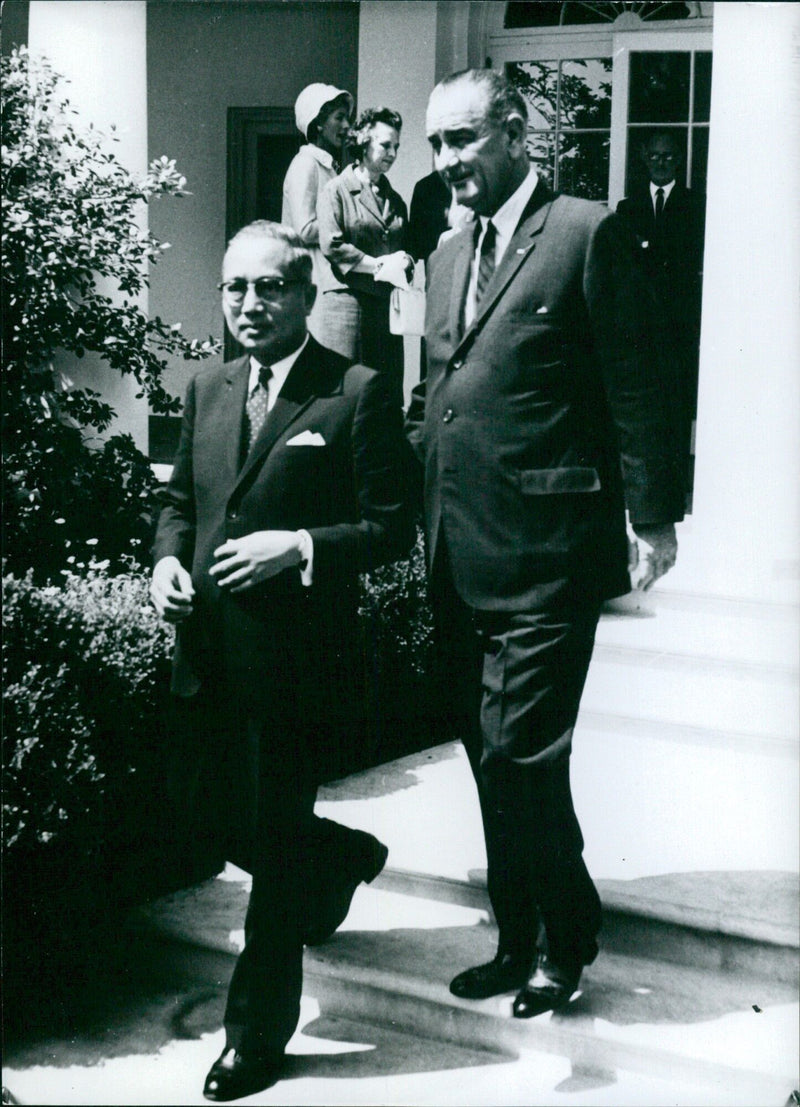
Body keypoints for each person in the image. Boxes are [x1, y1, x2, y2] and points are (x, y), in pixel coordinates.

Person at [406, 69, 684, 1020]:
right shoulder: (444, 257)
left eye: (461, 141)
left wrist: (653, 517)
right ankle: (518, 935)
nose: (444, 164)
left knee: (522, 755)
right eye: (434, 144)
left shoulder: (584, 231)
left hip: (548, 554)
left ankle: (566, 936)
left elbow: (638, 385)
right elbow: (435, 399)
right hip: (455, 551)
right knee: (489, 760)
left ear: (515, 134)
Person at [150, 221, 413, 1101]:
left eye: (269, 288)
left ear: (305, 296)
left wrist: (297, 545)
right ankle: (336, 856)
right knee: (209, 824)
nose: (249, 305)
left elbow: (391, 527)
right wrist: (166, 562)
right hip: (208, 655)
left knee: (265, 832)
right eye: (235, 289)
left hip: (298, 666)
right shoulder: (206, 386)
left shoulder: (356, 391)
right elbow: (181, 500)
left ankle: (254, 1033)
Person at [616, 130, 706, 503]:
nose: (661, 162)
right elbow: (623, 265)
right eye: (654, 156)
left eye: (668, 156)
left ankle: (675, 483)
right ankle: (645, 484)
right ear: (643, 158)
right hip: (641, 326)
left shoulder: (696, 205)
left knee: (676, 405)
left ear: (679, 160)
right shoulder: (628, 208)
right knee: (644, 406)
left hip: (680, 325)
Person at [318, 106, 413, 404]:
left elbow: (404, 248)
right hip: (348, 311)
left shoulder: (396, 200)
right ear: (363, 143)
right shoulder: (336, 191)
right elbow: (332, 245)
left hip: (386, 314)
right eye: (385, 145)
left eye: (396, 146)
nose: (392, 153)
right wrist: (379, 266)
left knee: (383, 400)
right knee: (345, 398)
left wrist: (406, 261)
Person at [281, 82, 353, 346]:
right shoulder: (306, 164)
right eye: (339, 118)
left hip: (330, 285)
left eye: (348, 118)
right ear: (318, 123)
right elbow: (304, 229)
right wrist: (350, 226)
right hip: (315, 286)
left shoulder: (330, 168)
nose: (347, 126)